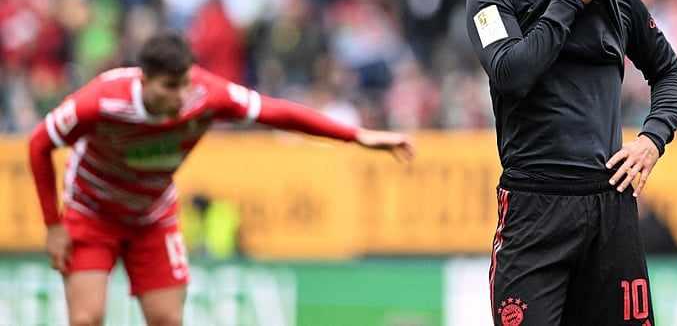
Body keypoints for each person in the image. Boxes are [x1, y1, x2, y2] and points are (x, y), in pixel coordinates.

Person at [28, 29, 415, 326]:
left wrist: (356, 136)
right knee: (86, 318)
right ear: (144, 80)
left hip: (151, 216)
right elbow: (38, 144)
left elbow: (276, 112)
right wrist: (52, 225)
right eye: (170, 86)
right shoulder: (102, 101)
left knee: (167, 319)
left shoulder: (206, 95)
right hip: (92, 212)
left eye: (185, 83)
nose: (181, 96)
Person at [465, 0, 677, 326]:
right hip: (534, 207)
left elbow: (670, 71)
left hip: (611, 206)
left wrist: (652, 138)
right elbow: (511, 74)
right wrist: (566, 2)